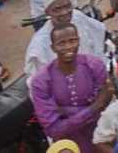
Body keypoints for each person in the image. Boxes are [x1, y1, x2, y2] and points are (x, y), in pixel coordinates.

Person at [29, 23, 111, 152]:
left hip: (101, 136)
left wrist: (66, 111)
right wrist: (93, 108)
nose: (68, 47)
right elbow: (54, 130)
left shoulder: (94, 65)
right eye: (61, 43)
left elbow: (105, 104)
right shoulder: (41, 81)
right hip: (68, 146)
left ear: (79, 41)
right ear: (53, 48)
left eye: (72, 41)